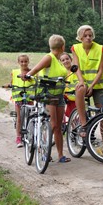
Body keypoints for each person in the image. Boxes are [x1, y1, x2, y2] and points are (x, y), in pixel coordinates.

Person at [25, 34, 70, 163]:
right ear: (62, 46)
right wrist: (27, 75)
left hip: (59, 96)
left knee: (58, 126)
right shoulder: (49, 57)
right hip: (48, 95)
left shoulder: (58, 59)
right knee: (52, 124)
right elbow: (37, 68)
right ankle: (44, 151)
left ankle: (60, 155)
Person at [70, 25, 103, 136]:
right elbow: (76, 66)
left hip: (97, 85)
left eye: (90, 35)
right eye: (85, 36)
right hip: (83, 81)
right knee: (80, 90)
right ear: (80, 38)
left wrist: (92, 86)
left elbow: (100, 70)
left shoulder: (100, 49)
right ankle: (83, 125)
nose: (88, 38)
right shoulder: (75, 48)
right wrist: (81, 82)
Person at [9, 54, 32, 147]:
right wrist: (9, 84)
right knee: (19, 118)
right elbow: (12, 81)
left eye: (25, 61)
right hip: (19, 98)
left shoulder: (32, 71)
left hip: (29, 98)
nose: (24, 63)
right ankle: (18, 137)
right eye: (21, 61)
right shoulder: (15, 72)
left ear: (28, 62)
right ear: (18, 62)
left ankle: (30, 135)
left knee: (30, 117)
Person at [59, 52, 77, 119]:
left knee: (74, 118)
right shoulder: (61, 73)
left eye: (67, 59)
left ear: (71, 59)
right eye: (63, 60)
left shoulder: (76, 71)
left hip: (74, 98)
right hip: (64, 98)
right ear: (60, 62)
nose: (65, 61)